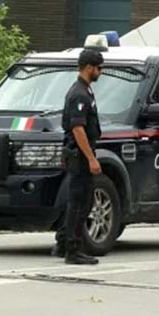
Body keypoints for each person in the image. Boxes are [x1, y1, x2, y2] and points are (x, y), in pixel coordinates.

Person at [54, 49, 104, 265]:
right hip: (80, 155)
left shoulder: (85, 91)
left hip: (80, 153)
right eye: (99, 68)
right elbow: (78, 129)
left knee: (80, 200)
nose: (100, 73)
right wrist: (91, 158)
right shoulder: (79, 94)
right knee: (80, 202)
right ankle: (73, 250)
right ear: (89, 67)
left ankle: (64, 242)